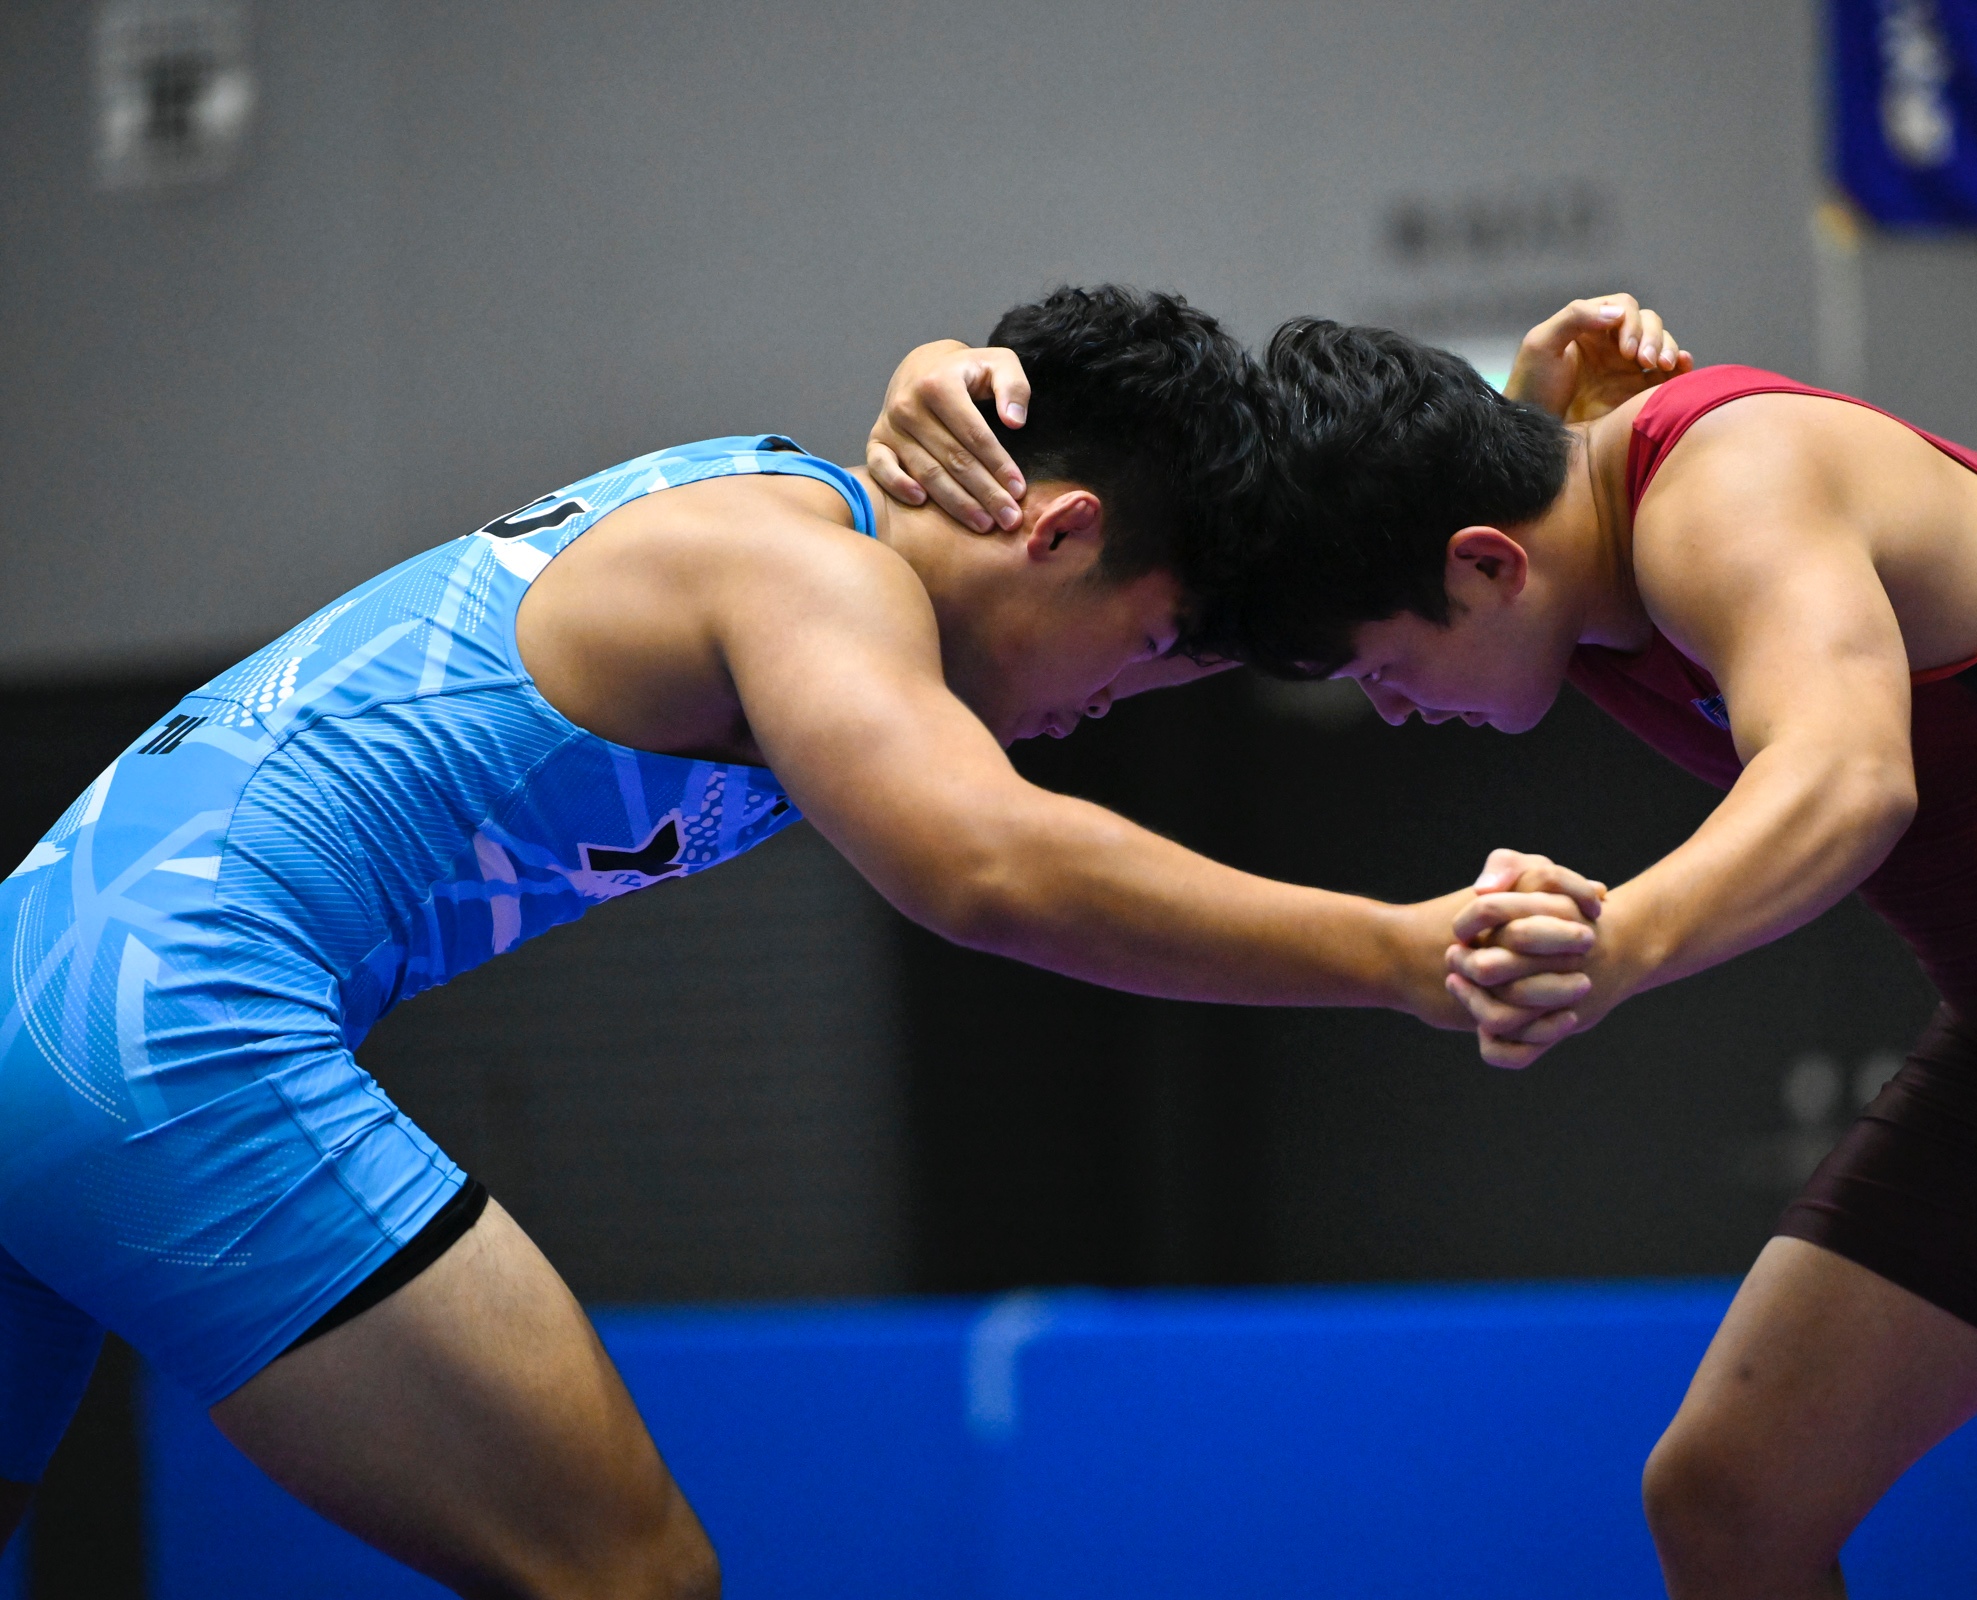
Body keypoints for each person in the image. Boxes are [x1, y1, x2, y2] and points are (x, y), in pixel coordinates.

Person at [0, 286, 1618, 1598]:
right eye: (1132, 657)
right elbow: (985, 866)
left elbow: (1139, 454)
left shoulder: (787, 508)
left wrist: (1518, 422)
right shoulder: (817, 576)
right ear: (1056, 531)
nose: (1097, 711)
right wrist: (1396, 953)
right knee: (626, 1576)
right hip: (171, 1033)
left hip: (42, 994)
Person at [904, 306, 1977, 1596]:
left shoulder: (1729, 485)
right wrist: (945, 390)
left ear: (1486, 564)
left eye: (1388, 669)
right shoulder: (1517, 522)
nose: (1396, 711)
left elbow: (1849, 779)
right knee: (1729, 1503)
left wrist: (1618, 943)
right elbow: (1211, 518)